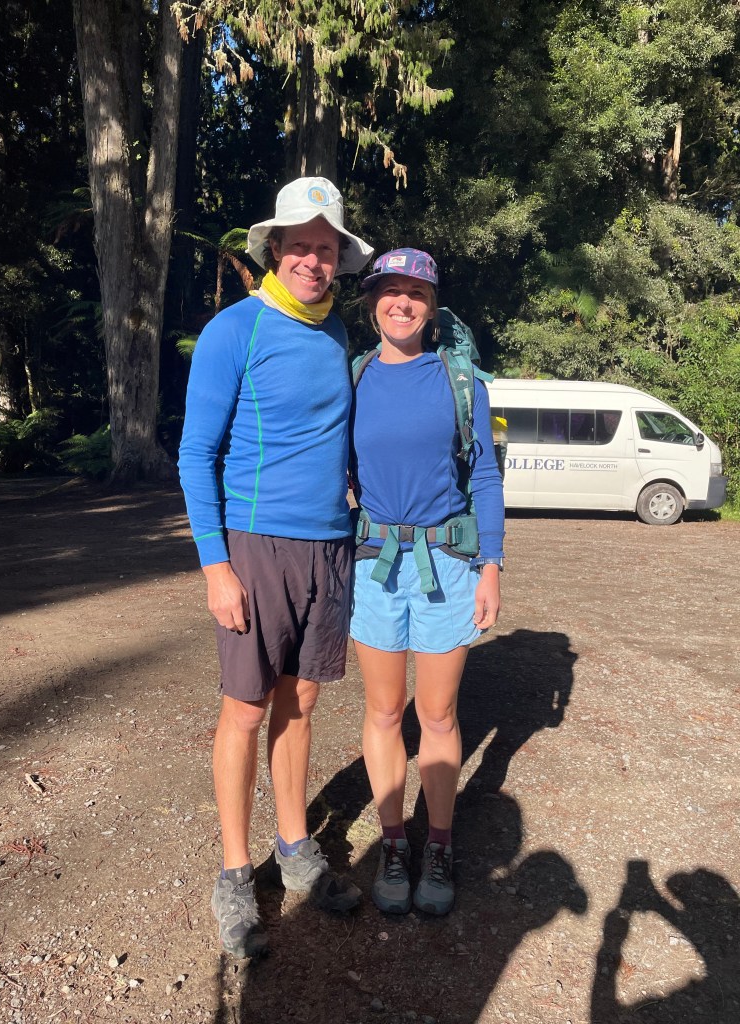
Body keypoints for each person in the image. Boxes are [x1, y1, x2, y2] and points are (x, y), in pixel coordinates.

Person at [178, 177, 373, 957]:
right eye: (301, 246)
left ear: (337, 260)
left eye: (326, 249)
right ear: (275, 249)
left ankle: (295, 849)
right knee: (246, 709)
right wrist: (216, 567)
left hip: (331, 545)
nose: (313, 260)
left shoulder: (335, 335)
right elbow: (196, 453)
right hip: (256, 545)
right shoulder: (236, 329)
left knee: (302, 703)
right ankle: (234, 873)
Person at [349, 248, 505, 916]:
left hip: (447, 564)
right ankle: (393, 843)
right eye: (390, 290)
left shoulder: (462, 381)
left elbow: (486, 477)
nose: (402, 302)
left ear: (432, 305)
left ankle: (437, 845)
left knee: (437, 714)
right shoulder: (352, 379)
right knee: (385, 712)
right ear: (372, 303)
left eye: (416, 292)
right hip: (374, 566)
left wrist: (491, 565)